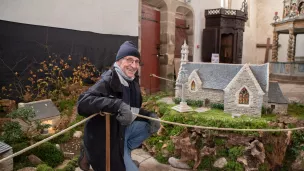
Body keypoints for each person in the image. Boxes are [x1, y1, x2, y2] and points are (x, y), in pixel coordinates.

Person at [77, 41, 161, 171]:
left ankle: (124, 152)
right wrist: (116, 105)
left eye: (136, 61)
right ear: (119, 61)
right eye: (129, 60)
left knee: (147, 125)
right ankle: (89, 153)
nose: (133, 65)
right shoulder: (108, 80)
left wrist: (149, 116)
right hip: (105, 140)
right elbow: (82, 103)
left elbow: (133, 110)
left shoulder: (133, 83)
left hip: (121, 132)